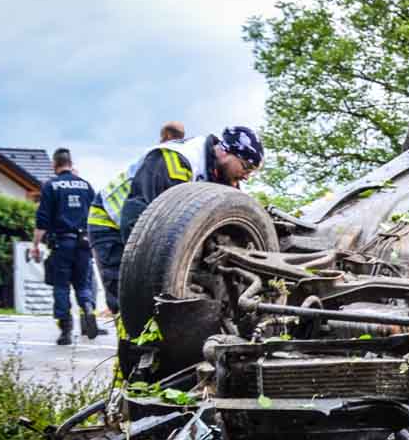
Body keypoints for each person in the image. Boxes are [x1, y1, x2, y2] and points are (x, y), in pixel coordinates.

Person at [88, 122, 190, 313]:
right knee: (124, 291)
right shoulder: (160, 160)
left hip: (128, 222)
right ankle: (127, 337)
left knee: (135, 292)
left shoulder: (176, 160)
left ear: (165, 136)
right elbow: (134, 216)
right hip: (107, 221)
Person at [119, 125, 263, 244]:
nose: (246, 177)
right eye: (245, 167)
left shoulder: (223, 177)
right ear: (226, 152)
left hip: (145, 226)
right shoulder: (178, 161)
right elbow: (137, 215)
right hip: (115, 222)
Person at [33, 149, 98, 344]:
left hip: (62, 243)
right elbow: (95, 217)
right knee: (82, 284)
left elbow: (42, 220)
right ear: (71, 162)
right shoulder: (86, 186)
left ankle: (65, 331)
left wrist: (36, 245)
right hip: (84, 243)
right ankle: (87, 307)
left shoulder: (51, 186)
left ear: (55, 164)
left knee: (61, 286)